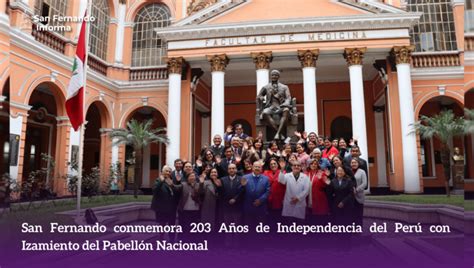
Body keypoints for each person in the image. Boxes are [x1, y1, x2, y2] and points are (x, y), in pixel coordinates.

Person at [257, 70, 292, 139]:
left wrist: (285, 104)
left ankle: (277, 133)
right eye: (273, 75)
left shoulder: (284, 87)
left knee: (286, 110)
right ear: (271, 76)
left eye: (276, 75)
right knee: (264, 113)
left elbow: (288, 98)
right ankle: (279, 133)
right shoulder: (266, 87)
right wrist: (261, 98)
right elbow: (259, 95)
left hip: (281, 106)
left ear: (278, 77)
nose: (274, 76)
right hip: (271, 107)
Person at [218, 163, 245, 247]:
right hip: (226, 207)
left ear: (236, 170)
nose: (232, 170)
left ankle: (237, 245)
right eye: (230, 168)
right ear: (227, 170)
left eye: (233, 168)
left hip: (237, 207)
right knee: (227, 228)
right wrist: (219, 187)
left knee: (237, 228)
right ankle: (228, 244)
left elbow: (243, 192)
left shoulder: (241, 179)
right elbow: (221, 194)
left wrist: (235, 199)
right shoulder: (222, 179)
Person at [241, 161, 270, 227]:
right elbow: (240, 191)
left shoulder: (266, 179)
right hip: (248, 207)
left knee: (261, 229)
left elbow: (267, 191)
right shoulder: (245, 177)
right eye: (255, 166)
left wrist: (260, 200)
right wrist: (242, 186)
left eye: (259, 167)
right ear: (252, 168)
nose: (257, 168)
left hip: (261, 207)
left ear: (261, 169)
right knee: (249, 228)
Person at [306, 158, 329, 224]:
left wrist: (322, 179)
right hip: (308, 198)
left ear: (318, 165)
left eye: (315, 164)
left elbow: (326, 185)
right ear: (309, 165)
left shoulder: (322, 173)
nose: (313, 165)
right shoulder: (306, 174)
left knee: (319, 220)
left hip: (319, 199)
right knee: (310, 220)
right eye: (312, 164)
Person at [264, 158, 286, 226]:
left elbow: (284, 183)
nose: (273, 165)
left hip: (279, 198)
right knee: (270, 219)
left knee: (279, 220)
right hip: (269, 199)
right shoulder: (266, 172)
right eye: (271, 164)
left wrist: (282, 169)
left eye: (274, 163)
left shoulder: (283, 172)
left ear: (278, 164)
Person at [351, 158, 367, 226]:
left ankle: (359, 229)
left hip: (359, 196)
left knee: (359, 214)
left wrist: (356, 190)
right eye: (352, 163)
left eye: (355, 162)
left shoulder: (362, 172)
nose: (353, 164)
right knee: (352, 214)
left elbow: (364, 183)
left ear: (358, 163)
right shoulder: (349, 171)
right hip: (350, 196)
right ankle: (352, 229)